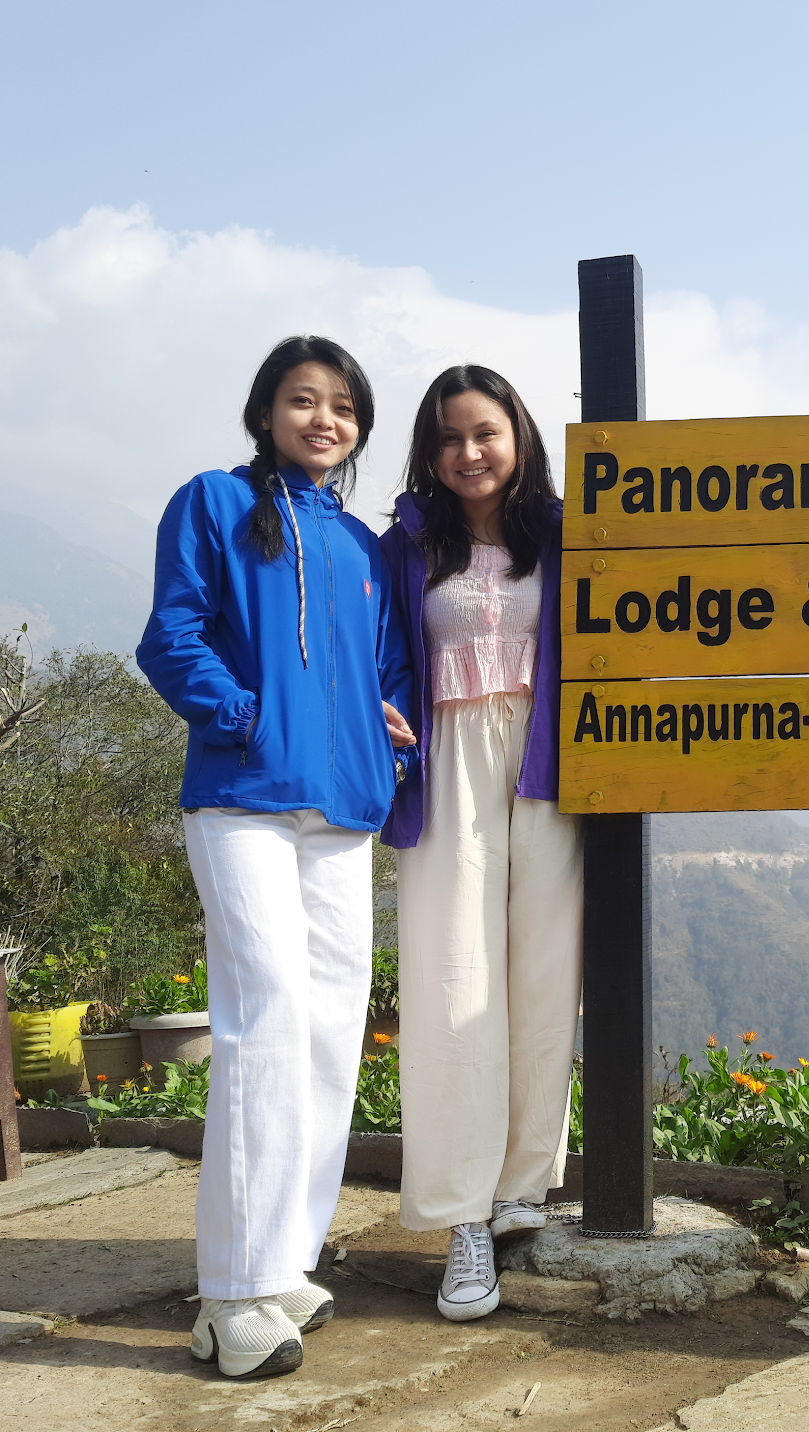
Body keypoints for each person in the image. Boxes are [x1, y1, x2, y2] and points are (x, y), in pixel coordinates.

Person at [138, 337, 417, 1379]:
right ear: (265, 412)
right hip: (243, 800)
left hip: (341, 808)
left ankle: (285, 1257)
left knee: (330, 1030)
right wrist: (244, 715)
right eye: (303, 400)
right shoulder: (211, 502)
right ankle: (231, 1294)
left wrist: (391, 730)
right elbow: (172, 635)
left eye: (342, 406)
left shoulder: (359, 543)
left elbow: (388, 668)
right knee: (261, 1021)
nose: (324, 419)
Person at [380, 364, 579, 1322]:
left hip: (547, 769)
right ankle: (461, 1218)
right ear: (430, 448)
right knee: (453, 981)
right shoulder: (408, 544)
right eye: (451, 436)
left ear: (519, 435)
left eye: (486, 432)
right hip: (447, 761)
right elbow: (373, 650)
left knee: (545, 977)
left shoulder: (564, 532)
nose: (469, 453)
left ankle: (519, 1190)